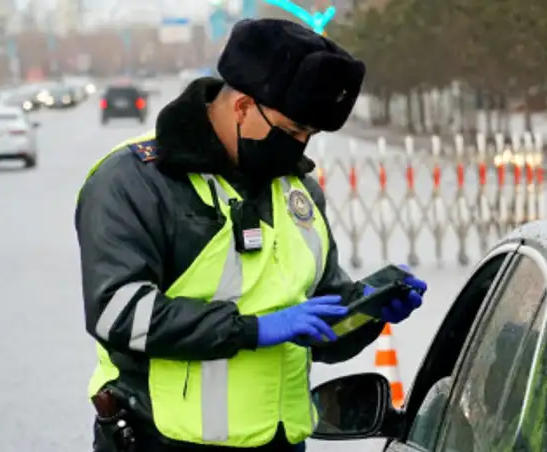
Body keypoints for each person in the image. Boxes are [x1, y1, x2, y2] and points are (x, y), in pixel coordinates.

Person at [75, 18, 428, 452]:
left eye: (309, 136)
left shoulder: (297, 191)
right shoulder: (136, 180)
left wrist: (368, 312)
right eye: (291, 132)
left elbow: (319, 327)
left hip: (281, 441)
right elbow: (117, 313)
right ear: (242, 106)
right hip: (161, 440)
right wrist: (251, 330)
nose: (298, 147)